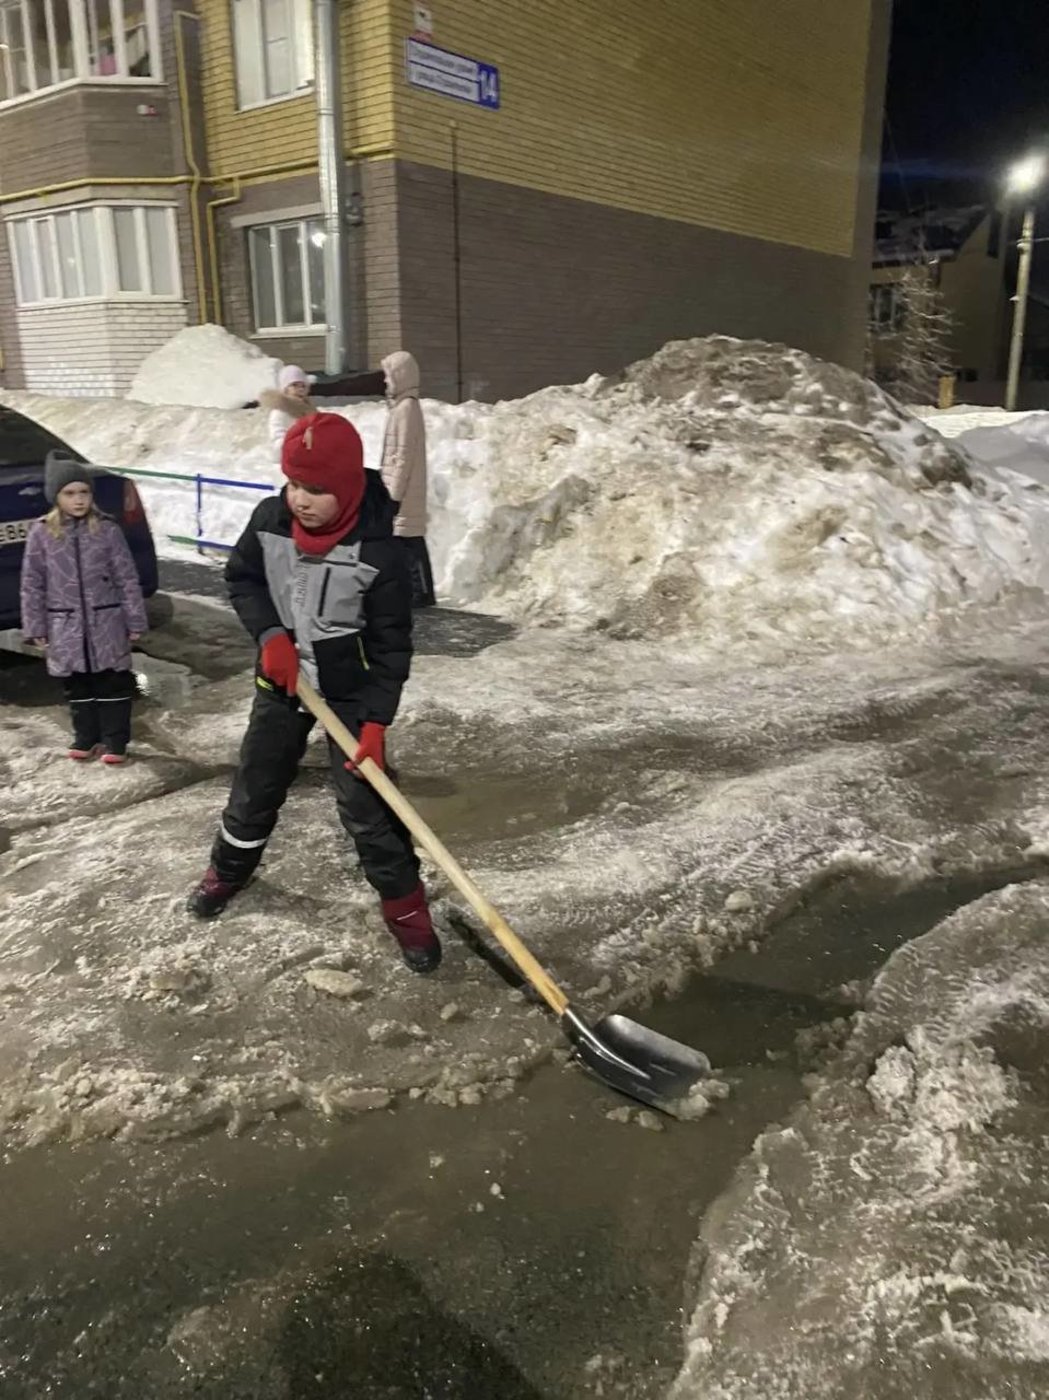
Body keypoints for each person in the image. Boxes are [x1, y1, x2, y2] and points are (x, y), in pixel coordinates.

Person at [185, 411, 442, 974]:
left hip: (348, 691)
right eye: (294, 483)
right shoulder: (269, 519)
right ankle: (227, 872)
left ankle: (407, 914)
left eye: (317, 489)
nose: (300, 499)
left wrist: (375, 722)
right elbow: (242, 579)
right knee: (255, 786)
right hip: (282, 682)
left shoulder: (380, 551)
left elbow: (392, 648)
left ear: (346, 487)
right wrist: (270, 635)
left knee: (368, 811)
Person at [19, 452, 147, 764]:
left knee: (112, 683)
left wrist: (134, 619)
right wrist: (35, 626)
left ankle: (115, 741)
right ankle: (86, 737)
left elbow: (126, 577)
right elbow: (32, 583)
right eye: (69, 493)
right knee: (78, 685)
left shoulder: (106, 530)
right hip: (65, 625)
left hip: (107, 622)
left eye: (84, 492)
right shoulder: (41, 533)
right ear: (56, 496)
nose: (78, 500)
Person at [380, 351, 435, 608]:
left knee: (410, 540)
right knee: (405, 540)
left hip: (405, 489)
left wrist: (394, 494)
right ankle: (413, 590)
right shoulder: (401, 408)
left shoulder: (407, 409)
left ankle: (422, 592)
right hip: (402, 486)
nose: (385, 381)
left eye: (389, 376)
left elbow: (403, 455)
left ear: (401, 376)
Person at [261, 365, 313, 460]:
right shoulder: (280, 412)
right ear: (285, 389)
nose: (300, 389)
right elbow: (277, 442)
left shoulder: (310, 411)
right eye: (294, 385)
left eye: (303, 386)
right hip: (290, 459)